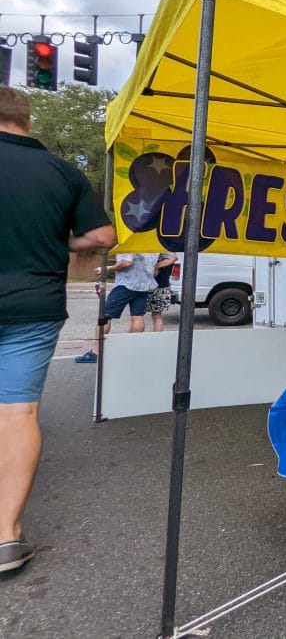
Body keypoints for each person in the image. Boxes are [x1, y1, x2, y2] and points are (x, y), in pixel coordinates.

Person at [0, 86, 115, 573]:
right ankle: (5, 536)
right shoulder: (62, 172)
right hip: (33, 303)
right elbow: (103, 236)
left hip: (33, 304)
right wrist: (60, 240)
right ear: (27, 121)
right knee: (17, 415)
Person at [75, 252, 160, 364]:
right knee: (137, 317)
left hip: (126, 284)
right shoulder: (152, 241)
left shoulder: (130, 239)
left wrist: (107, 269)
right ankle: (125, 349)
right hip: (145, 285)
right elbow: (166, 262)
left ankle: (96, 352)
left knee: (105, 316)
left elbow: (127, 262)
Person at [148, 252, 178, 333]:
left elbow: (174, 257)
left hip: (152, 286)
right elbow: (174, 257)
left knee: (139, 315)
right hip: (163, 286)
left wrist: (155, 267)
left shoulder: (160, 250)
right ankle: (158, 338)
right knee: (157, 315)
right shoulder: (168, 247)